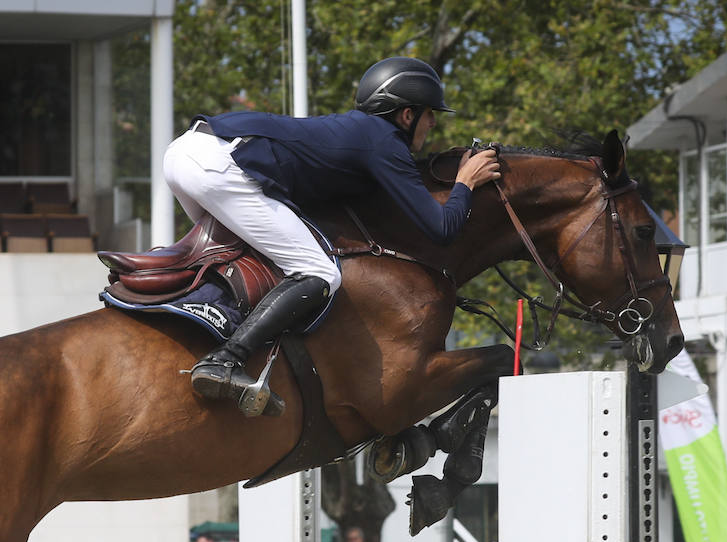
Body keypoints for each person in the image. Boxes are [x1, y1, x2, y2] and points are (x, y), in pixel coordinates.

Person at [163, 57, 502, 417]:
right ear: (407, 115)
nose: (433, 122)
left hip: (185, 152)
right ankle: (225, 360)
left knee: (246, 258)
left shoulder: (360, 134)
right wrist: (466, 181)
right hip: (217, 165)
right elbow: (442, 229)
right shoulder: (385, 141)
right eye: (430, 113)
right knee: (321, 273)